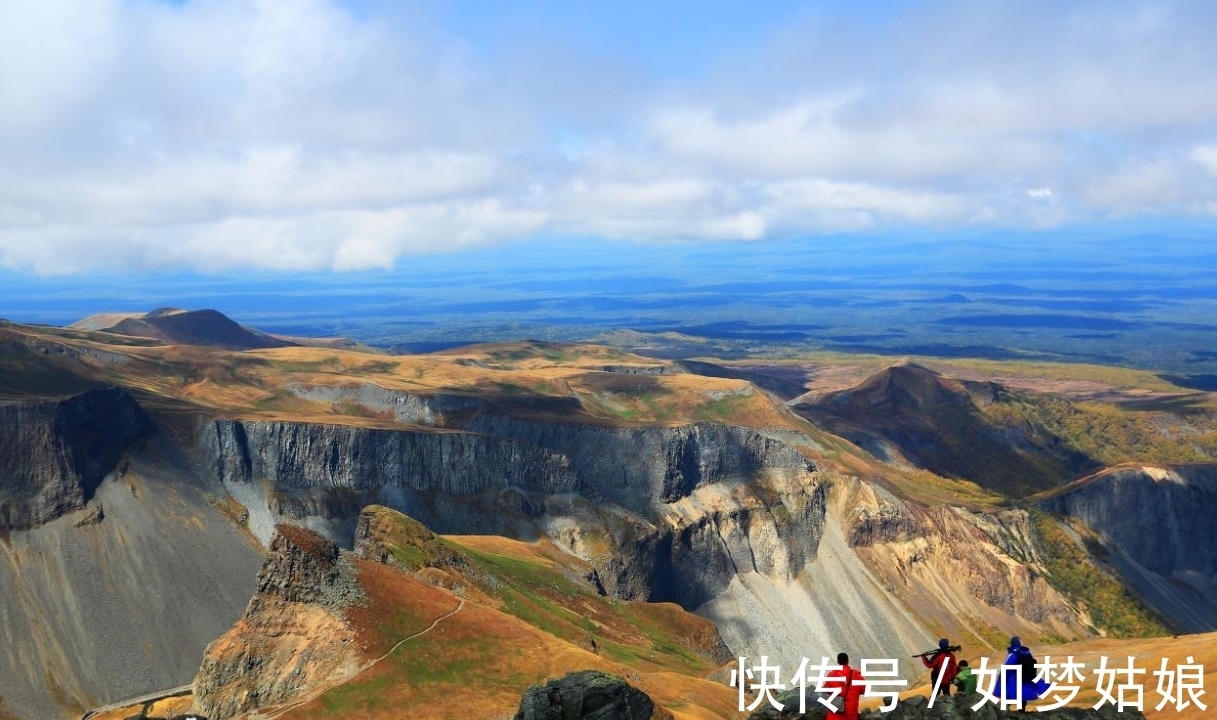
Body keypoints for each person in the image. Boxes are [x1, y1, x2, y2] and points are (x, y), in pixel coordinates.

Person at [995, 636, 1051, 712]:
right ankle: (1022, 711)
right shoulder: (1027, 653)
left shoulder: (1013, 654)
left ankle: (1005, 710)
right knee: (1023, 695)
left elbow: (1008, 666)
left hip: (1014, 678)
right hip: (1026, 678)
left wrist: (1002, 677)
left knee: (1009, 693)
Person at [823, 652, 867, 720]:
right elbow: (864, 690)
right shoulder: (857, 675)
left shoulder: (832, 674)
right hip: (851, 713)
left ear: (838, 662)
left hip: (836, 712)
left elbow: (827, 690)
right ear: (848, 661)